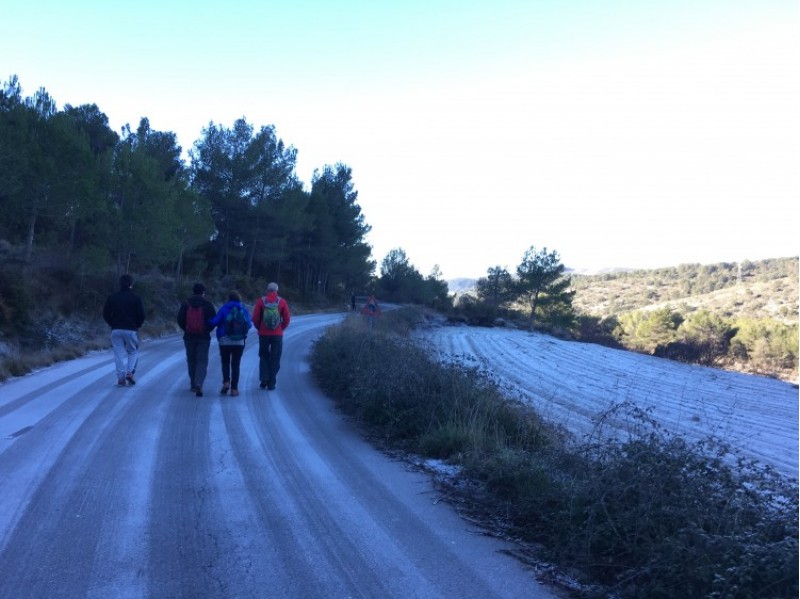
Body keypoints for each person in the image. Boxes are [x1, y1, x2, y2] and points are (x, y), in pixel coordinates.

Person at [102, 273, 145, 387]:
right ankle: (130, 373)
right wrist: (137, 325)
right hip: (131, 329)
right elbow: (141, 315)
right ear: (131, 284)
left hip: (116, 329)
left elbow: (105, 313)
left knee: (118, 354)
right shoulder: (136, 298)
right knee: (133, 351)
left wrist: (112, 323)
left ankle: (120, 379)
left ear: (120, 283)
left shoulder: (112, 297)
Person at [209, 290, 252, 397]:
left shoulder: (224, 309)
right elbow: (249, 324)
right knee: (236, 364)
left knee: (225, 362)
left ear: (229, 299)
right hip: (239, 342)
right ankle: (234, 389)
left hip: (224, 340)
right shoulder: (243, 309)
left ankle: (226, 382)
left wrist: (207, 321)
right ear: (239, 299)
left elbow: (214, 322)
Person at [177, 282, 217, 397]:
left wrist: (186, 329)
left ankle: (193, 383)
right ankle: (199, 382)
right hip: (203, 337)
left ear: (193, 291)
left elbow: (180, 319)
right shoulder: (207, 304)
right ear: (203, 292)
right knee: (202, 361)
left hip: (189, 337)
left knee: (191, 360)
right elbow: (213, 321)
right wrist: (206, 330)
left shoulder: (186, 303)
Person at [251, 282, 290, 390]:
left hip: (263, 334)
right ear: (277, 290)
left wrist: (260, 328)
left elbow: (255, 318)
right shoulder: (282, 302)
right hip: (277, 335)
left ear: (267, 290)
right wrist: (280, 328)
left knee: (264, 356)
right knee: (275, 358)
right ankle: (272, 382)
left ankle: (264, 379)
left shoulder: (261, 301)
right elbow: (287, 319)